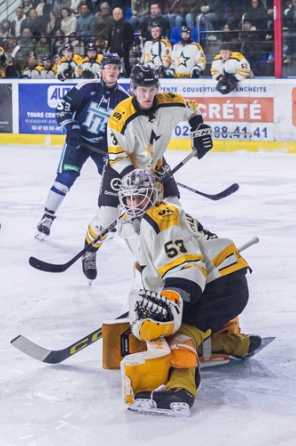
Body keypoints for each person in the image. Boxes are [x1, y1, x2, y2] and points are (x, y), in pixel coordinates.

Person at [114, 169, 263, 416]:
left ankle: (180, 390)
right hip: (220, 282)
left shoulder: (161, 216)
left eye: (139, 197)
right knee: (185, 328)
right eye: (129, 198)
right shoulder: (142, 224)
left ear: (154, 195)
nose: (133, 204)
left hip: (219, 286)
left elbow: (185, 264)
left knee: (179, 335)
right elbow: (152, 271)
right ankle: (237, 344)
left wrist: (174, 295)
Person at [80, 64, 214, 282]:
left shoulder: (170, 103)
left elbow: (192, 109)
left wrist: (198, 130)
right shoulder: (120, 117)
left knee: (174, 208)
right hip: (122, 168)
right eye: (142, 89)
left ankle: (181, 256)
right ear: (133, 88)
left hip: (155, 164)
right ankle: (90, 250)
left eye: (152, 89)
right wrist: (137, 180)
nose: (148, 95)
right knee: (107, 216)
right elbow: (117, 157)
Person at [35, 54, 128, 240]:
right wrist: (71, 127)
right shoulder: (87, 87)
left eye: (116, 68)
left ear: (120, 71)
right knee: (66, 177)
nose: (112, 71)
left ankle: (108, 220)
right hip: (79, 140)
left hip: (103, 145)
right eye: (108, 67)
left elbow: (127, 128)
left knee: (111, 181)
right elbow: (63, 108)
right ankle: (47, 218)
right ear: (101, 70)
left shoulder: (124, 98)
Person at [108, 7, 135, 75]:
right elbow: (110, 39)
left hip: (124, 52)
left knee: (125, 67)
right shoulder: (112, 26)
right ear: (113, 15)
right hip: (113, 51)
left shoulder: (127, 25)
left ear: (122, 14)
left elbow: (131, 38)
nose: (116, 15)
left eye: (118, 14)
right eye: (115, 14)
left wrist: (124, 46)